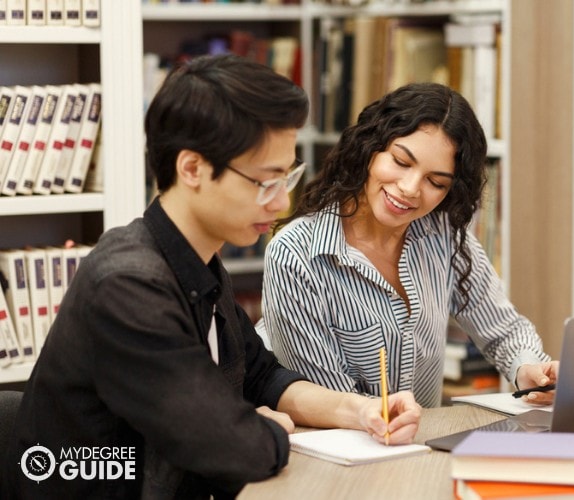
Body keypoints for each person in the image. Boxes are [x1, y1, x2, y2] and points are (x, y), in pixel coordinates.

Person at [1, 54, 421, 499]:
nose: (281, 202)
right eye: (265, 181)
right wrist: (260, 429)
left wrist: (362, 411)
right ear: (192, 169)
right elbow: (224, 445)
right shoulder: (128, 284)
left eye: (288, 176)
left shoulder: (196, 260)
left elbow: (264, 376)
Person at [256, 82, 559, 409]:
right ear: (370, 150)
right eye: (401, 162)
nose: (410, 189)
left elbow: (504, 330)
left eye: (436, 182)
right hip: (340, 448)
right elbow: (330, 402)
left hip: (417, 448)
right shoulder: (296, 254)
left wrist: (528, 370)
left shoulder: (442, 232)